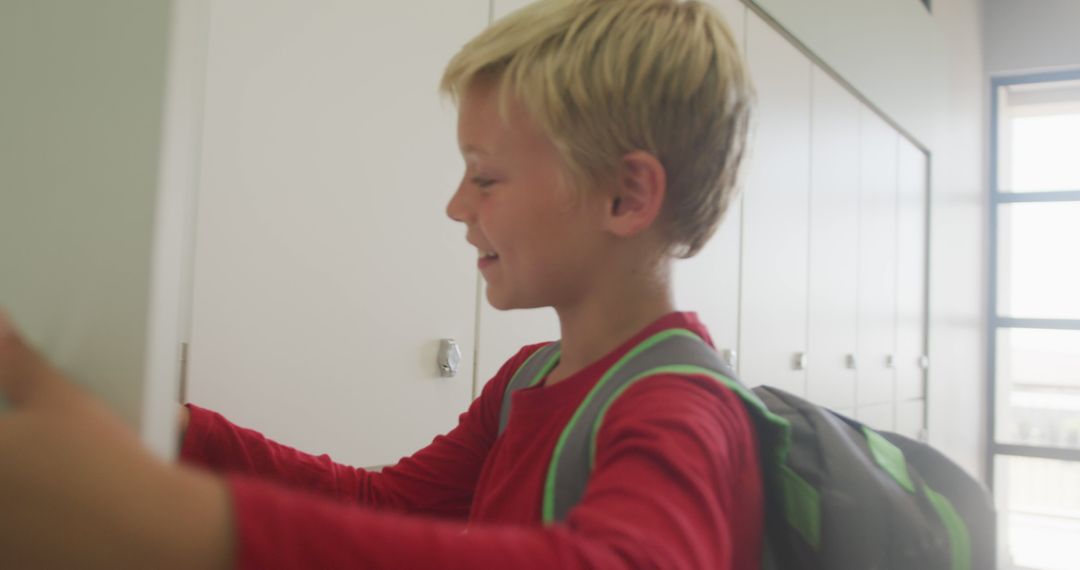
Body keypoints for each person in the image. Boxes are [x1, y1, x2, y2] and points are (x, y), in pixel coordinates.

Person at [0, 0, 758, 567]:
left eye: (485, 177)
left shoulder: (683, 409)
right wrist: (177, 431)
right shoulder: (529, 377)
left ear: (627, 197)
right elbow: (382, 501)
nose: (457, 206)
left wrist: (168, 519)